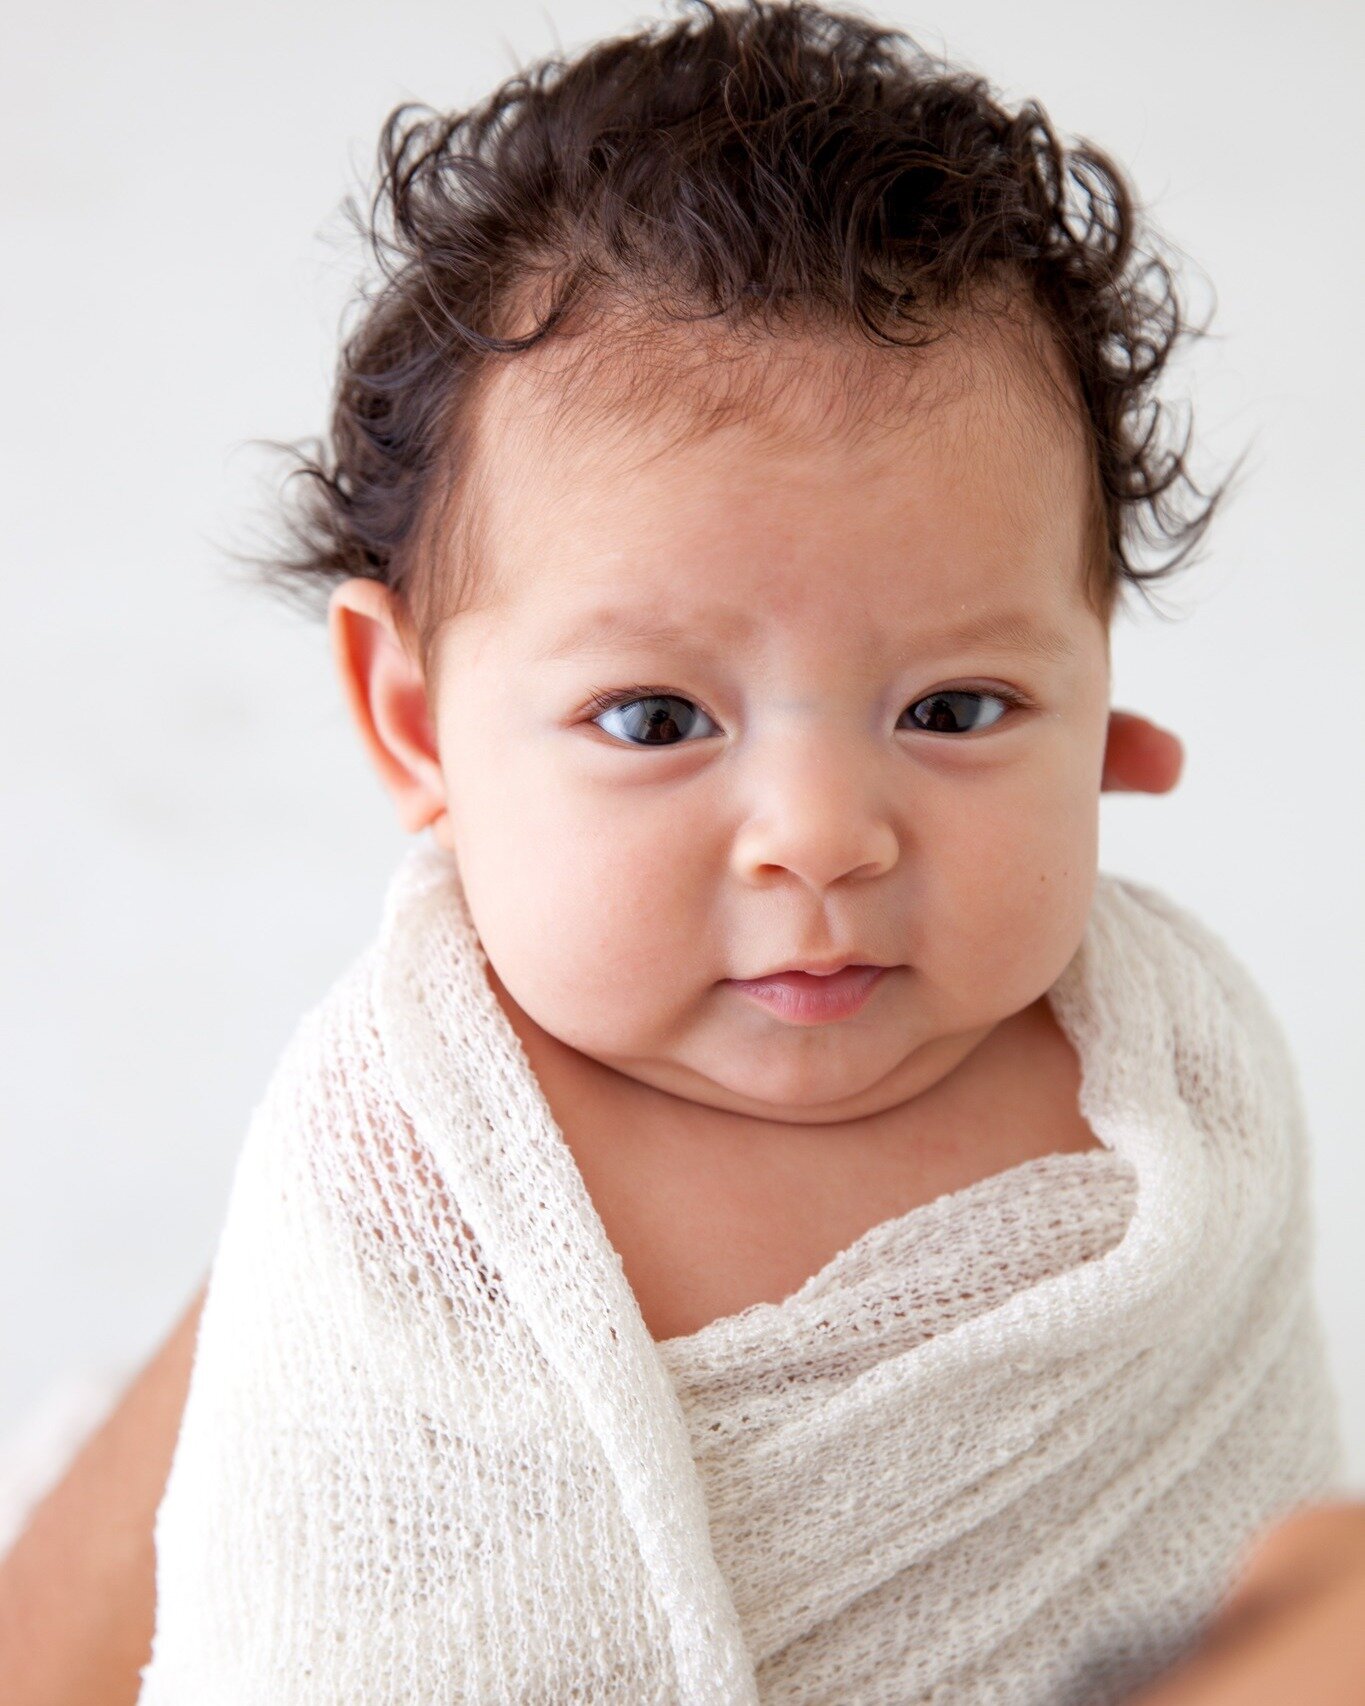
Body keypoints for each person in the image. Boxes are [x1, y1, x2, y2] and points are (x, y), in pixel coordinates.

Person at [4, 2, 1358, 1699]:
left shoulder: (1180, 1089)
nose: (821, 837)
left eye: (954, 709)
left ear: (1102, 714)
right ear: (416, 722)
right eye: (655, 720)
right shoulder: (410, 1174)